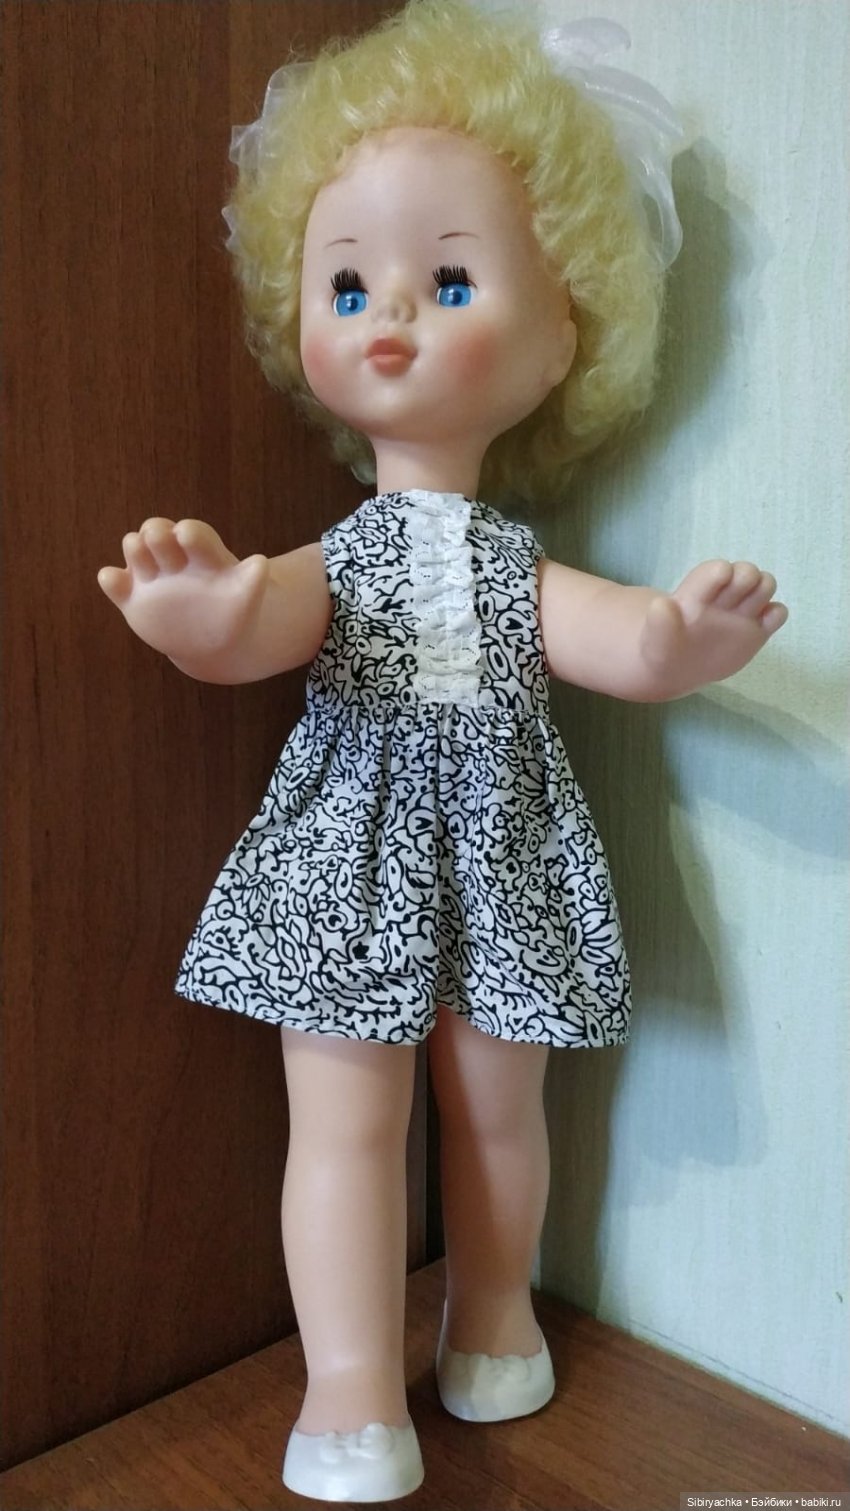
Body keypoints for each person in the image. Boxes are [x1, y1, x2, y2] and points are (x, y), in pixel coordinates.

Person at [97, 2, 787, 1500]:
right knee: (343, 1123)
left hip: (504, 847)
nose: (390, 317)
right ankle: (351, 1393)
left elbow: (619, 641)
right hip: (347, 854)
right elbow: (265, 619)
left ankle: (494, 1322)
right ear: (299, 320)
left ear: (562, 339)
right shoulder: (345, 553)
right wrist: (202, 615)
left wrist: (685, 640)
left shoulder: (512, 562)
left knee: (495, 1108)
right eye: (348, 284)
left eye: (451, 280)